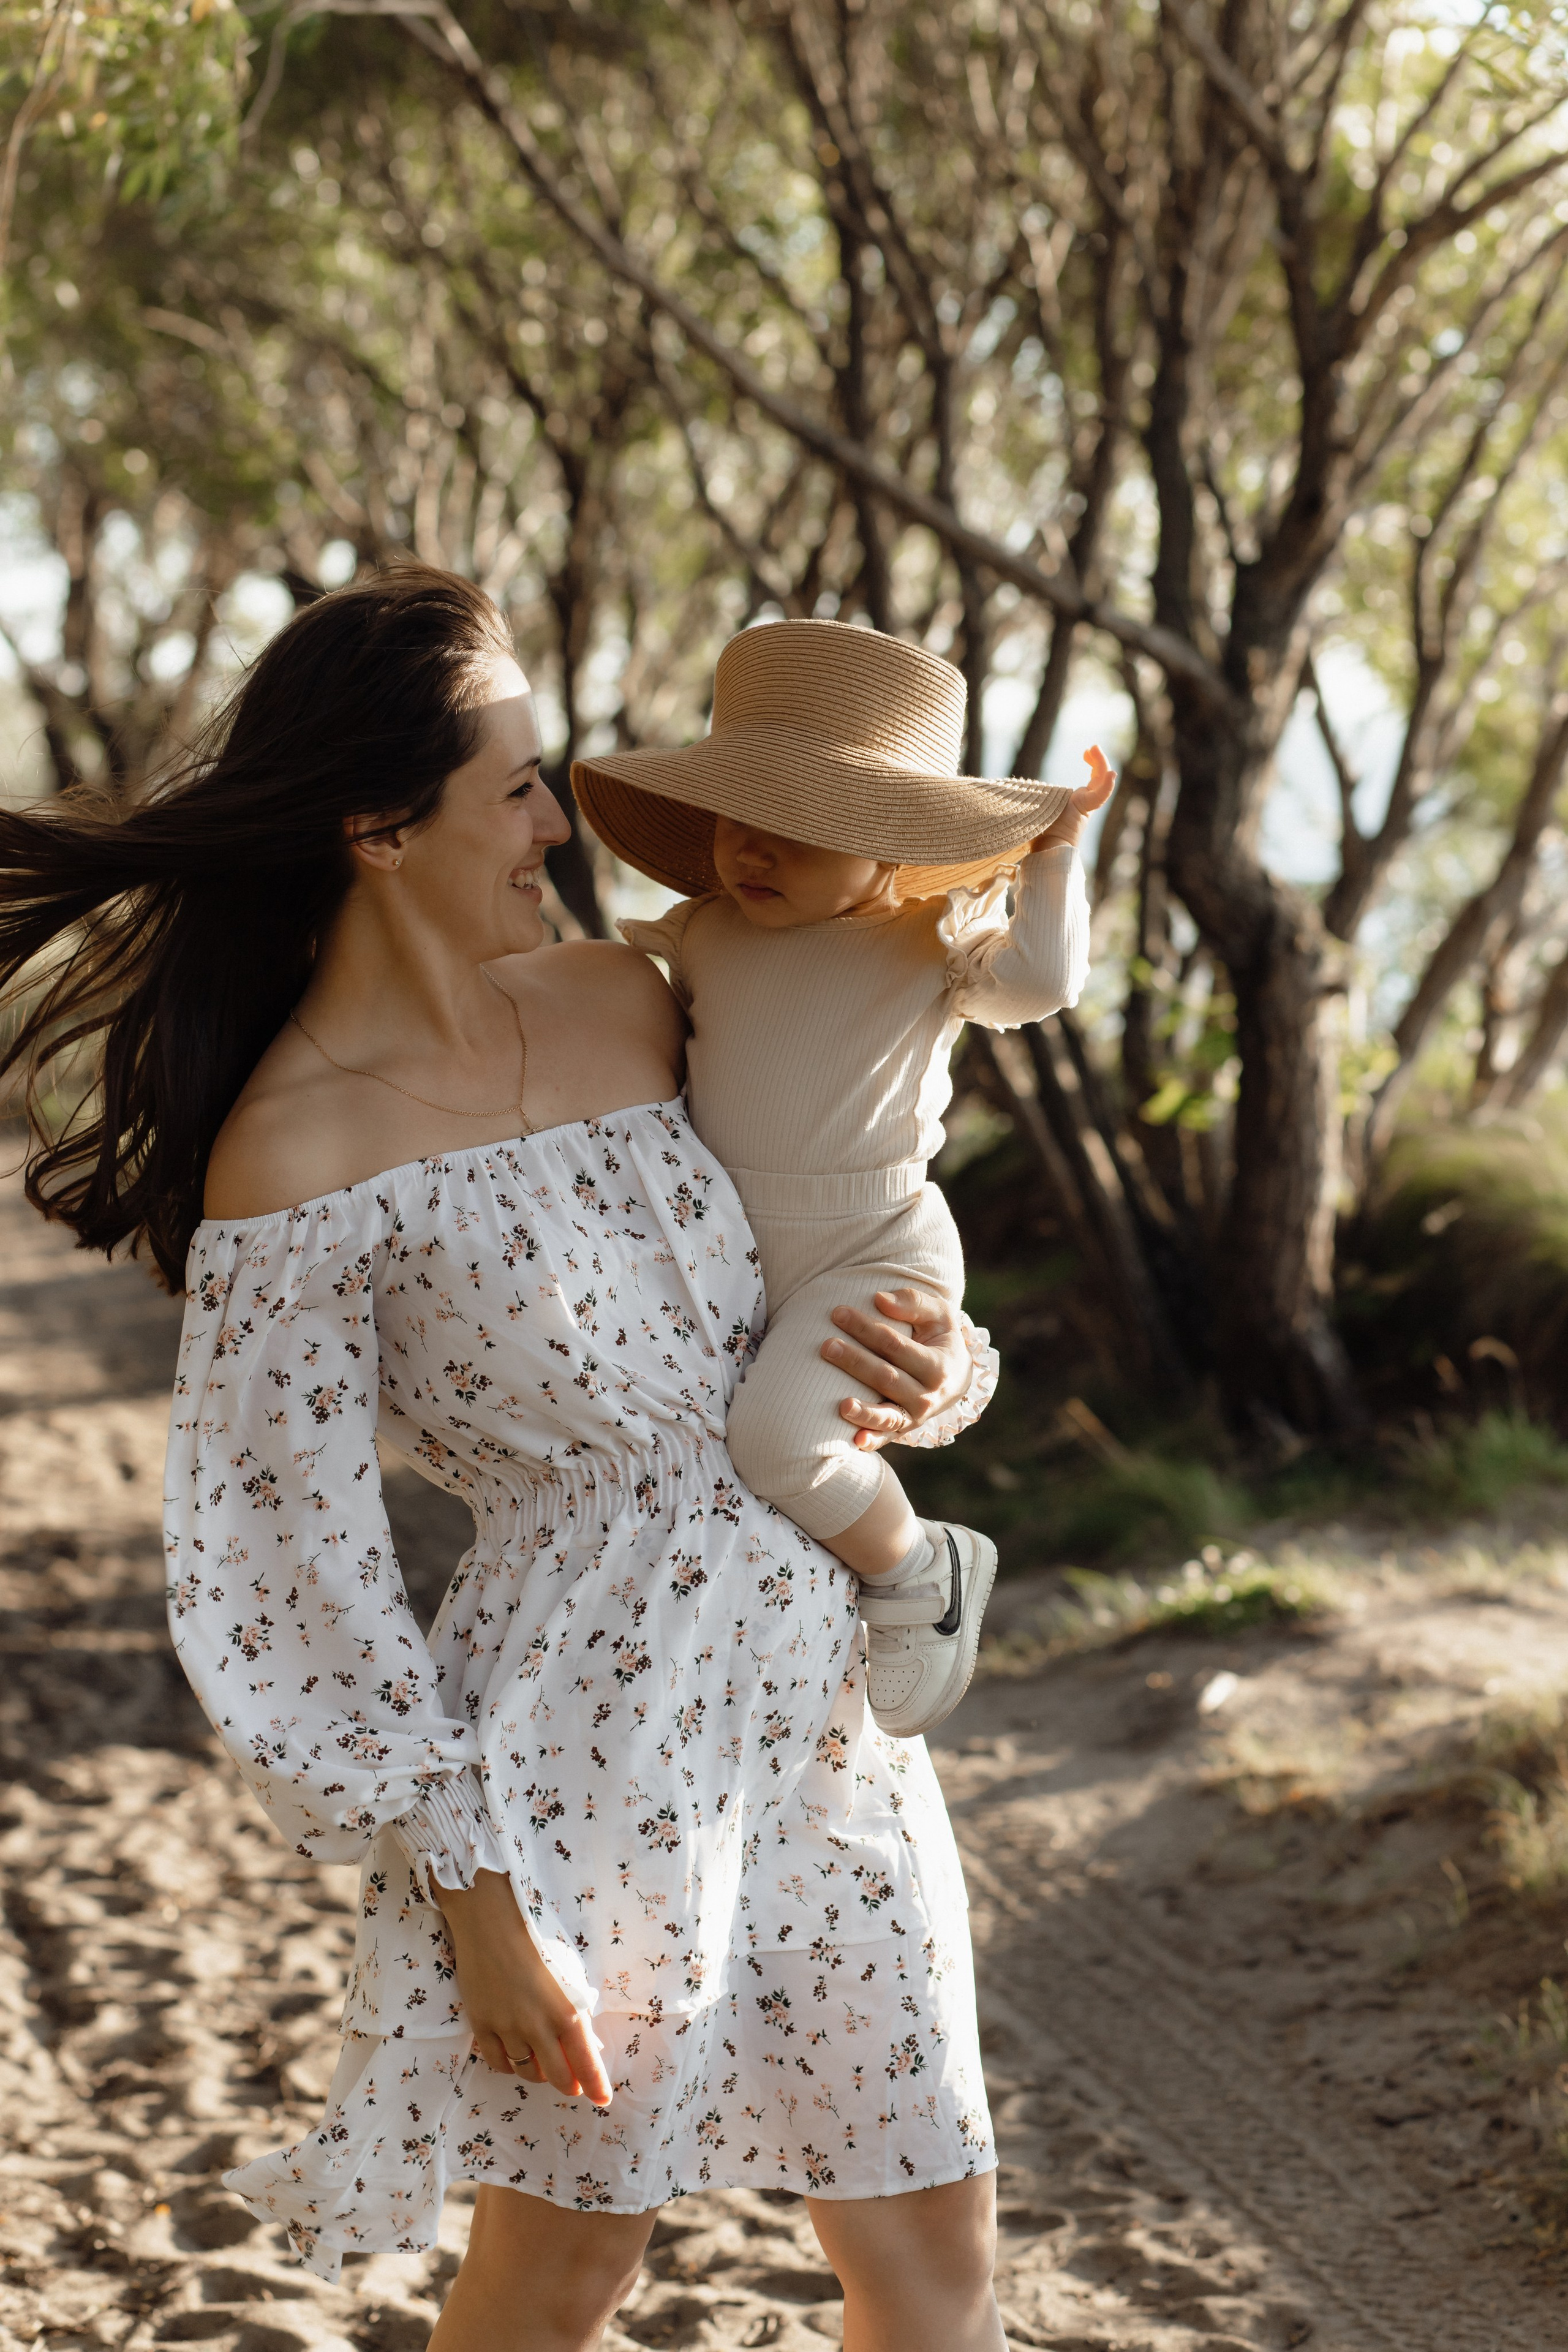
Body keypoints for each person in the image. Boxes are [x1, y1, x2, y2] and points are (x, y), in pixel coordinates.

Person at [0, 566, 1009, 2352]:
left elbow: (834, 1227)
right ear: (379, 827)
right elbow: (292, 1582)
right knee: (560, 2279)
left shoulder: (631, 999)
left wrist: (929, 1360)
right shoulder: (293, 1159)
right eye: (522, 786)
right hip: (576, 1765)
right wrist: (473, 1903)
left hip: (820, 1710)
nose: (559, 824)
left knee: (934, 2253)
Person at [575, 617, 1113, 1739]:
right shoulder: (705, 934)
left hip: (868, 1249)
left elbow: (1044, 984)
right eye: (735, 816)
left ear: (892, 845)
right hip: (722, 1254)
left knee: (778, 1445)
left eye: (800, 826)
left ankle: (917, 1567)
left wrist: (1054, 854)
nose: (751, 849)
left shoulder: (925, 937)